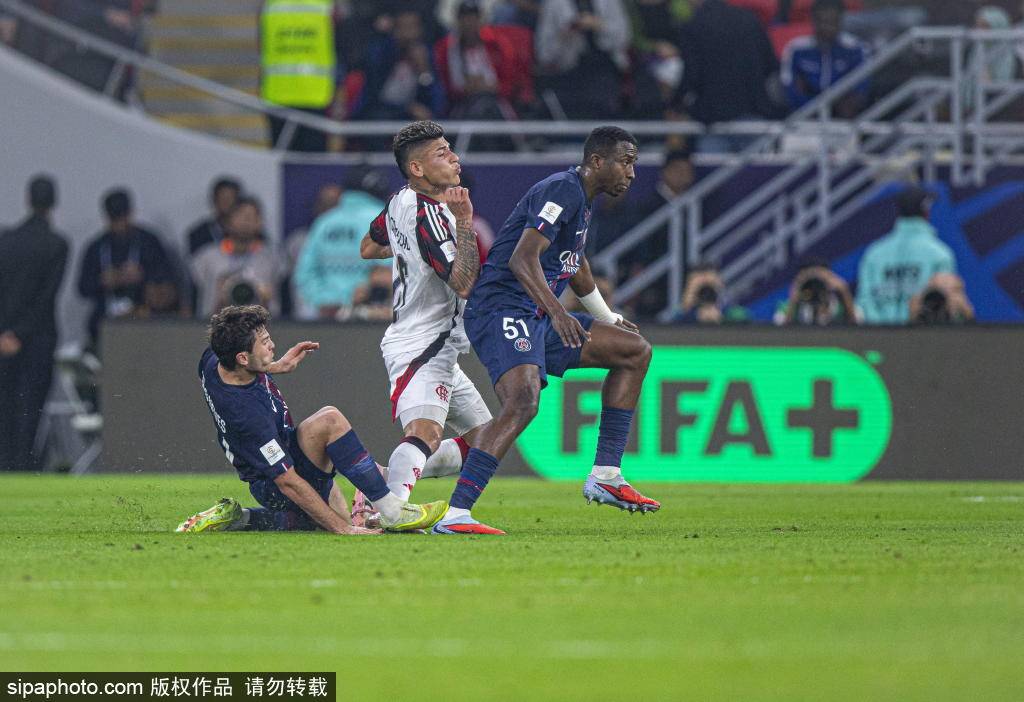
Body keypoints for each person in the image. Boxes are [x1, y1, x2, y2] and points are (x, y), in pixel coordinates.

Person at [447, 126, 659, 535]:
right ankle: (457, 514)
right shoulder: (562, 189)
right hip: (501, 309)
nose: (632, 173)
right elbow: (523, 259)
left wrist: (606, 315)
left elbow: (573, 262)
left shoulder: (582, 198)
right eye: (626, 162)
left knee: (634, 350)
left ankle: (606, 475)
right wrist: (558, 313)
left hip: (535, 313)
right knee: (523, 401)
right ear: (597, 161)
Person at [175, 305, 448, 534]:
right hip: (274, 484)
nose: (272, 345)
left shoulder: (214, 360)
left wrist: (274, 366)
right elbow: (287, 482)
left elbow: (238, 371)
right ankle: (391, 510)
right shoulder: (246, 416)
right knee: (330, 421)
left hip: (284, 454)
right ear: (243, 358)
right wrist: (344, 530)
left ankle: (241, 517)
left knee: (319, 521)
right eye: (264, 343)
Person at [358, 121, 494, 532]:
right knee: (425, 432)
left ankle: (379, 480)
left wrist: (410, 249)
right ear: (416, 169)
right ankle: (389, 512)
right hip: (423, 343)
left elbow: (369, 247)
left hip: (440, 345)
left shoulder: (400, 200)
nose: (454, 158)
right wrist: (465, 220)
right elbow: (464, 283)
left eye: (450, 149)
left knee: (487, 440)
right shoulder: (432, 215)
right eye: (442, 153)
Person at [0, 176, 69, 472]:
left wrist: (5, 332)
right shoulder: (57, 245)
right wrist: (21, 333)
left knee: (4, 408)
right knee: (29, 411)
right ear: (53, 202)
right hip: (37, 340)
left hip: (3, 340)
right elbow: (45, 298)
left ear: (28, 199)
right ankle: (22, 468)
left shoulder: (6, 241)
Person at [77, 188, 178, 349]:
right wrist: (102, 281)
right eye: (114, 219)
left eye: (122, 218)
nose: (119, 225)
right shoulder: (97, 247)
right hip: (105, 323)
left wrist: (142, 276)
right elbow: (82, 288)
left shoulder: (149, 242)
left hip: (144, 319)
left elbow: (168, 278)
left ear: (130, 214)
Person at [674, 0, 780, 149]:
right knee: (758, 163)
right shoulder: (750, 19)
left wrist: (674, 103)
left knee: (714, 164)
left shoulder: (693, 26)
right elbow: (771, 65)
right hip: (753, 113)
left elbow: (692, 75)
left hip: (714, 120)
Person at [856, 185, 956, 325]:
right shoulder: (940, 254)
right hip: (922, 337)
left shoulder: (874, 253)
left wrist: (881, 331)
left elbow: (865, 303)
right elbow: (943, 305)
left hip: (876, 336)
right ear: (926, 212)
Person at [293, 177, 386, 320]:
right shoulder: (383, 218)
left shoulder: (324, 222)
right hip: (370, 316)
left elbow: (304, 273)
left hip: (324, 315)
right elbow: (393, 271)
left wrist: (323, 300)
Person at [260, 0, 343, 151]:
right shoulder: (325, 5)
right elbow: (341, 46)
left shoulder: (271, 4)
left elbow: (262, 44)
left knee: (284, 162)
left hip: (279, 94)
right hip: (315, 95)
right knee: (312, 162)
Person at [534, 0, 631, 119]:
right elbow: (544, 54)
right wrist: (564, 36)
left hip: (605, 67)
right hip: (567, 71)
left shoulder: (610, 2)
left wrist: (599, 25)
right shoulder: (553, 4)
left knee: (604, 98)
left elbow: (623, 39)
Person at [189, 197, 282, 318]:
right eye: (240, 215)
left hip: (258, 325)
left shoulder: (271, 259)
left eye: (252, 216)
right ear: (227, 221)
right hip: (214, 324)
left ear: (260, 223)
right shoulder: (206, 257)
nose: (246, 221)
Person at [781, 0, 869, 117]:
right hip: (804, 116)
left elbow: (860, 88)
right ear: (813, 20)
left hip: (845, 118)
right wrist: (813, 109)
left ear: (840, 21)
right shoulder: (797, 49)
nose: (827, 27)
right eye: (822, 21)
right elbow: (790, 87)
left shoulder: (855, 49)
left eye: (832, 22)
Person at [775, 258, 859, 326]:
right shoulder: (785, 308)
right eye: (810, 281)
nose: (815, 286)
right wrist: (794, 299)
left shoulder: (843, 306)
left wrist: (844, 291)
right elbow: (780, 335)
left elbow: (859, 333)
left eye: (820, 280)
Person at [671, 263, 749, 324]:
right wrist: (690, 314)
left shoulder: (736, 314)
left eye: (710, 286)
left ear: (721, 286)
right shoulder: (681, 317)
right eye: (700, 288)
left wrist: (723, 319)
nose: (706, 293)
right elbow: (672, 329)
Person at [186, 178, 242, 256]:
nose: (226, 202)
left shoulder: (251, 233)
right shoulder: (197, 235)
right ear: (214, 201)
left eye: (230, 198)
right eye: (222, 198)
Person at [910, 272, 975, 324]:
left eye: (954, 291)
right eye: (936, 291)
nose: (938, 301)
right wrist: (914, 316)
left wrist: (968, 314)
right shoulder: (920, 304)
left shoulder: (961, 307)